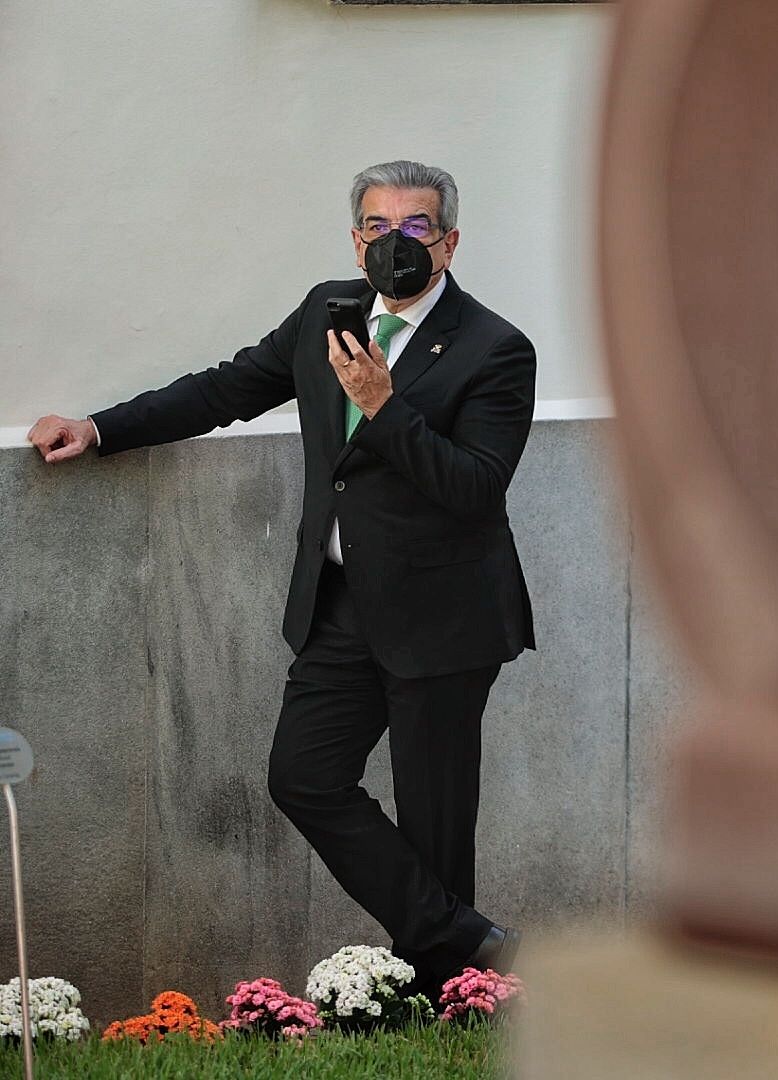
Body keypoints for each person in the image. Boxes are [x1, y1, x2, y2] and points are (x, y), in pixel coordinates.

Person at [27, 160, 536, 994]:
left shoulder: (495, 348)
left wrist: (383, 403)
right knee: (302, 774)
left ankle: (451, 1002)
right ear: (354, 237)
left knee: (437, 823)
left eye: (415, 228)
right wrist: (100, 427)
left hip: (444, 618)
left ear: (448, 243)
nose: (394, 243)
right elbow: (227, 388)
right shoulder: (323, 314)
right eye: (378, 227)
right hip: (341, 608)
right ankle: (469, 943)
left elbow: (475, 488)